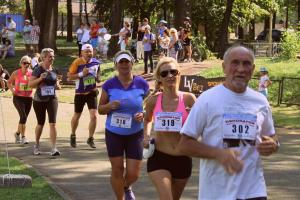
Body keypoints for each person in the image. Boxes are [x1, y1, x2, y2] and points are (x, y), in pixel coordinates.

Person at [178, 46, 279, 200]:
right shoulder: (207, 99)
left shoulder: (260, 101)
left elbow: (272, 137)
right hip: (216, 192)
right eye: (235, 63)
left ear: (252, 69)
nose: (240, 69)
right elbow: (184, 144)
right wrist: (218, 153)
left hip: (254, 191)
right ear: (224, 67)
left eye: (246, 64)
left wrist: (273, 145)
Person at [98, 50, 149, 200]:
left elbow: (149, 104)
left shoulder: (141, 83)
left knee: (134, 173)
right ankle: (120, 198)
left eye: (127, 61)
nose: (124, 64)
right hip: (114, 133)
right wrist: (109, 106)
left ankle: (126, 186)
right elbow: (100, 108)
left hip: (135, 133)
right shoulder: (109, 84)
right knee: (117, 169)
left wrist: (144, 113)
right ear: (116, 65)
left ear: (132, 63)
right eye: (121, 62)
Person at [143, 57, 196, 200]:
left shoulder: (189, 99)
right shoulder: (153, 101)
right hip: (159, 157)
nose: (170, 75)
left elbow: (199, 126)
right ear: (159, 78)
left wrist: (192, 117)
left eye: (173, 72)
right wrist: (146, 136)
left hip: (183, 158)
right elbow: (147, 120)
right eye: (164, 73)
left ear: (179, 74)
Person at [28, 48, 62, 156]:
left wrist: (57, 86)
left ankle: (54, 148)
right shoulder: (38, 70)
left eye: (53, 56)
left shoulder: (55, 70)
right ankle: (37, 145)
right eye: (50, 57)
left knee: (53, 123)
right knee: (40, 123)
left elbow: (57, 85)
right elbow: (30, 84)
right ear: (43, 58)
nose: (52, 58)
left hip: (52, 98)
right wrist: (40, 79)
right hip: (39, 99)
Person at [67, 44, 101, 148]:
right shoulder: (77, 62)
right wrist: (82, 74)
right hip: (80, 93)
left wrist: (98, 79)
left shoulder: (96, 62)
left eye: (90, 51)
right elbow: (69, 77)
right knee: (77, 115)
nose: (88, 53)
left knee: (94, 116)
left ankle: (90, 138)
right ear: (82, 52)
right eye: (86, 52)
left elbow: (98, 73)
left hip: (91, 92)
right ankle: (73, 134)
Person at [7, 55, 33, 144]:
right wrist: (12, 90)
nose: (27, 65)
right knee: (23, 116)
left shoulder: (32, 73)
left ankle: (17, 133)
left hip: (29, 98)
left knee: (23, 118)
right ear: (21, 63)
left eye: (28, 63)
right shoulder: (16, 73)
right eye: (25, 63)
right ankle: (23, 137)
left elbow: (35, 83)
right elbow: (9, 82)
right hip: (18, 97)